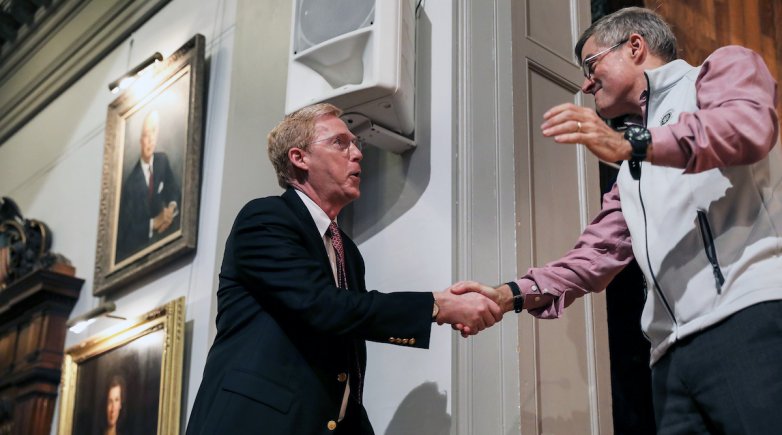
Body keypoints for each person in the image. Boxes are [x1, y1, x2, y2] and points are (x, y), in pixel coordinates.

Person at [452, 6, 782, 434]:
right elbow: (594, 255)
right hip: (669, 358)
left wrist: (635, 143)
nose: (586, 83)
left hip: (746, 318)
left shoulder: (716, 71)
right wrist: (506, 295)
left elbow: (746, 126)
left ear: (635, 46)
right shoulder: (631, 165)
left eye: (591, 64)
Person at [186, 103, 502, 435]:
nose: (357, 153)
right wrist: (437, 306)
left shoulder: (346, 250)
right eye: (340, 142)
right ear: (299, 158)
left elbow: (346, 350)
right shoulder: (265, 218)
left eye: (355, 143)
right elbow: (324, 307)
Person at [116, 110, 181, 263]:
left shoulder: (162, 161)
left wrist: (170, 210)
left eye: (154, 132)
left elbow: (173, 189)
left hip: (170, 246)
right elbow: (124, 236)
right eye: (146, 134)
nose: (151, 139)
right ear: (140, 140)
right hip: (143, 256)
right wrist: (153, 224)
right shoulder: (130, 185)